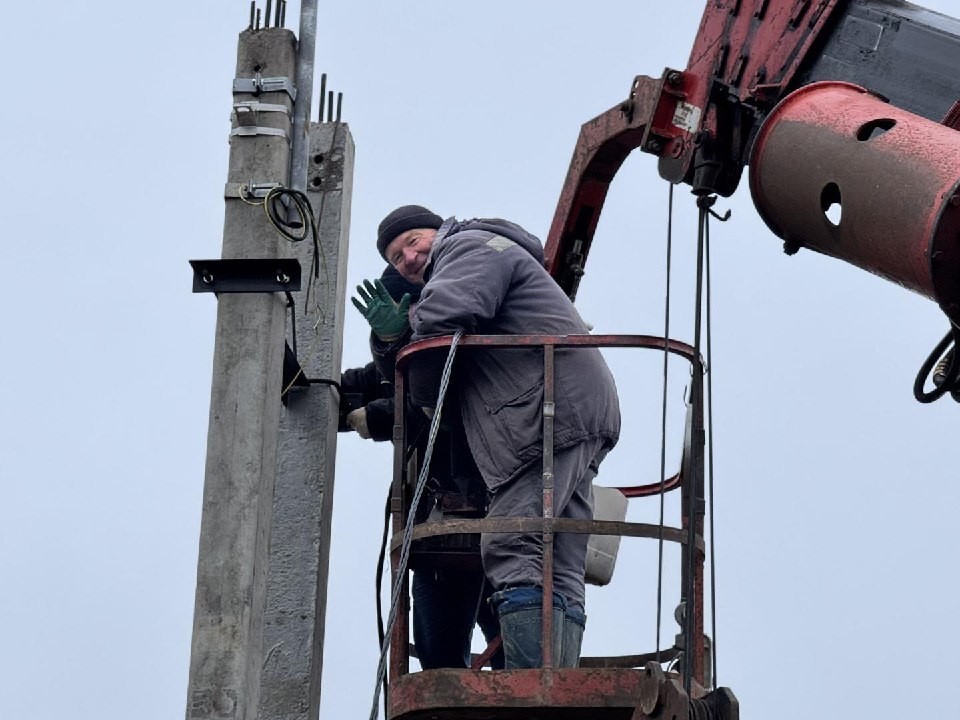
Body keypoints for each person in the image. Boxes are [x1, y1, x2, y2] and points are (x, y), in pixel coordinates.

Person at [370, 204, 621, 669]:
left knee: (512, 541)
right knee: (560, 558)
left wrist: (407, 338)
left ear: (437, 230)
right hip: (569, 411)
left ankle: (531, 688)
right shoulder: (480, 252)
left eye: (410, 242)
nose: (406, 258)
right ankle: (553, 682)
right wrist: (391, 348)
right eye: (395, 257)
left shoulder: (467, 247)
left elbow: (442, 324)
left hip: (548, 414)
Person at [342, 265, 502, 669]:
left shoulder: (476, 347)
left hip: (500, 519)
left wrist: (382, 416)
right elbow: (348, 388)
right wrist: (298, 381)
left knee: (517, 658)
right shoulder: (397, 368)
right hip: (439, 532)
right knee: (440, 666)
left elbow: (452, 408)